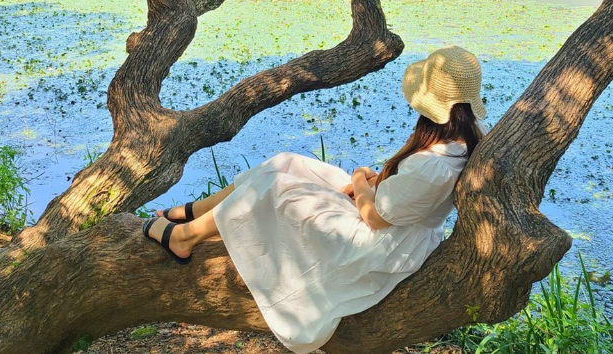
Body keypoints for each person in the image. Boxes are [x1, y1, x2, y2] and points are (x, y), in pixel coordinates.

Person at [143, 45, 488, 354]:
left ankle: (184, 237)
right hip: (390, 214)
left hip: (377, 241)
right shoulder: (466, 136)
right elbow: (400, 197)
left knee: (273, 185)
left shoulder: (431, 165)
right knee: (285, 162)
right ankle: (195, 213)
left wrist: (359, 179)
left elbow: (375, 218)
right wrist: (375, 183)